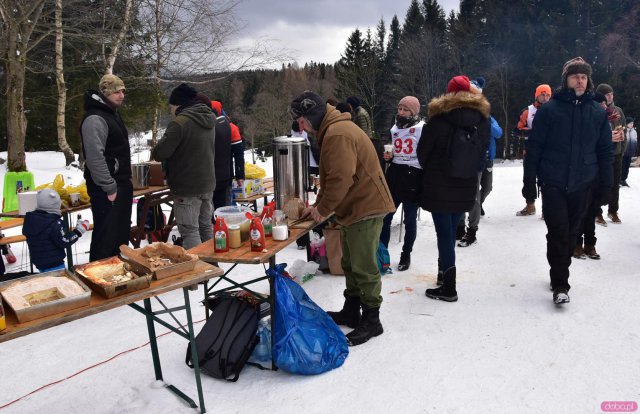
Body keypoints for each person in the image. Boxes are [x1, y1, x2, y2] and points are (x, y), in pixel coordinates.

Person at [289, 91, 394, 346]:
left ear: (311, 116)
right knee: (350, 262)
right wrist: (318, 204)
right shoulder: (333, 130)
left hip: (365, 207)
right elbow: (332, 177)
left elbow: (341, 179)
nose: (300, 126)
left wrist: (322, 211)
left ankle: (372, 320)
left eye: (302, 120)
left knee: (363, 266)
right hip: (354, 207)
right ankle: (351, 309)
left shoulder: (338, 134)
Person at [523, 57, 613, 305]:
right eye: (575, 76)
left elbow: (605, 151)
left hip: (584, 182)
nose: (580, 80)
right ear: (566, 79)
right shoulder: (550, 110)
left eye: (584, 76)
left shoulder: (597, 111)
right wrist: (529, 180)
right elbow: (535, 147)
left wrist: (607, 185)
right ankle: (561, 283)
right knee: (558, 232)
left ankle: (559, 269)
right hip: (553, 181)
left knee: (573, 234)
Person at [417, 75, 491, 302]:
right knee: (449, 231)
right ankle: (443, 274)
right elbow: (483, 154)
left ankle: (449, 287)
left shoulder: (438, 121)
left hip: (439, 186)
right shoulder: (482, 121)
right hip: (466, 185)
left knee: (445, 234)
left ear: (449, 94)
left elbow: (422, 154)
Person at [151, 83, 216, 249]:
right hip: (207, 184)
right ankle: (211, 265)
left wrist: (157, 145)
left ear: (178, 105)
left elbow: (160, 153)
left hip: (187, 187)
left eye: (171, 107)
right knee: (205, 226)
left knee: (189, 231)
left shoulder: (179, 123)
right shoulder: (208, 119)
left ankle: (199, 273)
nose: (171, 111)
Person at [80, 74, 133, 261]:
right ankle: (100, 279)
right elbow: (94, 158)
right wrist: (109, 187)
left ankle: (119, 278)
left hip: (120, 184)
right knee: (106, 237)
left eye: (123, 91)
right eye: (116, 92)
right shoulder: (95, 118)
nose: (121, 95)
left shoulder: (111, 114)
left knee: (119, 236)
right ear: (104, 93)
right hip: (108, 188)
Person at [379, 96, 424, 271]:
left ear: (413, 112)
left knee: (410, 220)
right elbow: (393, 151)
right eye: (399, 108)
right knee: (386, 218)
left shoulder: (421, 128)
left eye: (405, 110)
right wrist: (388, 157)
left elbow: (427, 153)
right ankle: (383, 254)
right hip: (395, 175)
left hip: (413, 176)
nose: (401, 112)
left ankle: (406, 254)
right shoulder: (395, 127)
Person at [458, 78, 503, 247]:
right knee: (467, 193)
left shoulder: (486, 116)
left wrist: (484, 122)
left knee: (484, 189)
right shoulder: (461, 114)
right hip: (465, 159)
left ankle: (472, 225)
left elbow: (498, 133)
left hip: (485, 158)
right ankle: (462, 226)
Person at [22, 189, 90, 272]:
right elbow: (63, 241)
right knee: (59, 283)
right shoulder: (54, 222)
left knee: (48, 281)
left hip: (39, 262)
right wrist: (79, 231)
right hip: (55, 263)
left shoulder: (30, 219)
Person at [514, 84, 552, 216]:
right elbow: (517, 130)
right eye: (543, 94)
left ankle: (547, 208)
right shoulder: (528, 111)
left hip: (548, 151)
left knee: (547, 180)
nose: (545, 97)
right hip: (530, 150)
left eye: (548, 95)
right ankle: (530, 205)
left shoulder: (554, 110)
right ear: (537, 95)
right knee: (529, 178)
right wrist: (533, 133)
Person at [595, 83, 626, 224]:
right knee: (600, 184)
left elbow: (623, 130)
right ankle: (597, 212)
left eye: (611, 93)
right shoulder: (595, 110)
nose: (610, 96)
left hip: (616, 153)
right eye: (607, 94)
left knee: (615, 185)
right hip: (600, 156)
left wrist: (622, 149)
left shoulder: (618, 110)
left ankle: (613, 211)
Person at [621, 117, 636, 187]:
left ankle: (624, 180)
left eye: (632, 123)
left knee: (627, 167)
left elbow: (635, 142)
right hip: (623, 152)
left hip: (630, 153)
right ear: (627, 123)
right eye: (630, 123)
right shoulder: (623, 130)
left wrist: (634, 151)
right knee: (622, 167)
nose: (632, 124)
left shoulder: (634, 131)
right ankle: (619, 180)